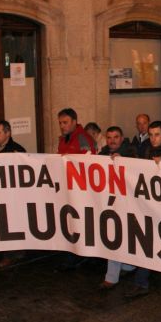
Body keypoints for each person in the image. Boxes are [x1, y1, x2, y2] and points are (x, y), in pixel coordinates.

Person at [124, 121, 161, 298]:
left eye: (157, 134)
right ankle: (144, 282)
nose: (153, 138)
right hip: (153, 206)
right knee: (149, 242)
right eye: (151, 135)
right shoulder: (149, 151)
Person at [54, 109, 96, 271]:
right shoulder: (64, 139)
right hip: (69, 188)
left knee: (80, 222)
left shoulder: (82, 138)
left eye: (65, 122)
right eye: (60, 123)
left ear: (74, 122)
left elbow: (89, 162)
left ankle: (81, 256)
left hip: (79, 189)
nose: (62, 126)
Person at [98, 126, 138, 290]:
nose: (112, 140)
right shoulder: (101, 155)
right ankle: (115, 274)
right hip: (109, 202)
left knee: (124, 235)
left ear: (122, 138)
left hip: (127, 202)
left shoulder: (130, 152)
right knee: (114, 237)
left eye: (115, 137)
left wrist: (124, 161)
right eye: (109, 137)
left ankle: (124, 269)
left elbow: (138, 167)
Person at [0, 120, 27, 268]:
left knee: (11, 222)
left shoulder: (17, 150)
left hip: (13, 194)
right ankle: (13, 251)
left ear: (8, 133)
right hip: (1, 192)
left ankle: (11, 253)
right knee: (4, 222)